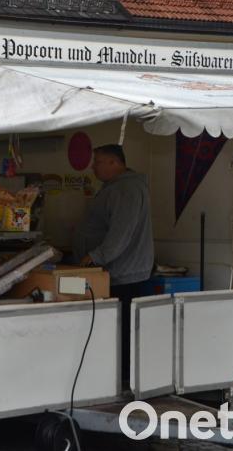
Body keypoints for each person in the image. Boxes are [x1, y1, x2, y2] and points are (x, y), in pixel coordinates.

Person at [73, 144, 154, 385]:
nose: (92, 167)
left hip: (124, 276)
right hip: (117, 273)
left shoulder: (126, 190)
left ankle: (122, 383)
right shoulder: (115, 188)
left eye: (97, 162)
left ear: (114, 163)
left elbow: (121, 234)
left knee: (123, 335)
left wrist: (95, 257)